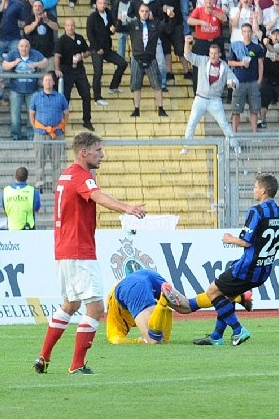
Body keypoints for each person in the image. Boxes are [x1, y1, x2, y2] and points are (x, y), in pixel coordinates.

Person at [34, 131, 146, 375]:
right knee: (95, 309)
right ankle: (77, 364)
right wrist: (127, 208)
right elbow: (98, 196)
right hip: (79, 251)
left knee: (70, 304)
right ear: (84, 152)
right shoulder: (81, 176)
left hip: (64, 250)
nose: (102, 154)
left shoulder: (65, 175)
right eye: (98, 150)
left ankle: (44, 356)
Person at [189, 174, 279, 346]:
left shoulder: (256, 211)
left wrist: (229, 239)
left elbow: (245, 241)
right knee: (228, 296)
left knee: (212, 291)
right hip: (264, 271)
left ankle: (238, 330)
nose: (253, 190)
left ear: (263, 191)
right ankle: (216, 336)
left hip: (247, 268)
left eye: (256, 187)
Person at [105, 269, 192, 344]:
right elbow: (168, 312)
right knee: (187, 307)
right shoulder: (121, 311)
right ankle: (200, 299)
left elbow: (116, 340)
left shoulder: (115, 325)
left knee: (153, 339)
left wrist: (140, 341)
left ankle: (163, 300)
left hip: (132, 287)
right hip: (145, 274)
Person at [181, 38, 238, 153]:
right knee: (191, 123)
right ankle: (186, 147)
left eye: (215, 53)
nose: (213, 56)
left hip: (215, 100)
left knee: (224, 124)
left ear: (220, 54)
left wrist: (232, 84)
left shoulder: (224, 66)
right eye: (211, 53)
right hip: (200, 98)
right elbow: (188, 55)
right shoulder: (203, 61)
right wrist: (186, 42)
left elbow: (235, 80)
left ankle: (236, 147)